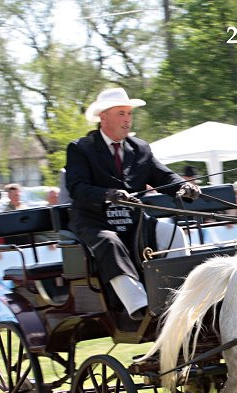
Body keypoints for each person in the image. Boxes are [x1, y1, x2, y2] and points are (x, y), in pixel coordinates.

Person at [65, 87, 200, 319]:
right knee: (110, 242)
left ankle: (179, 297)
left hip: (134, 221)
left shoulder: (139, 148)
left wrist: (183, 186)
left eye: (129, 114)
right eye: (121, 113)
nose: (127, 119)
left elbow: (164, 176)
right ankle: (140, 306)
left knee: (174, 233)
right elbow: (77, 188)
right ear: (103, 116)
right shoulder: (81, 148)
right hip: (96, 221)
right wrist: (109, 194)